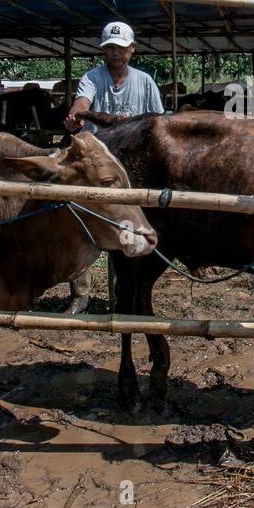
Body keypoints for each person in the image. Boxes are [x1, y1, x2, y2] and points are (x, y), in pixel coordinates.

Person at [63, 21, 164, 312]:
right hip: (98, 166)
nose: (115, 53)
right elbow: (82, 103)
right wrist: (76, 117)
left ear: (131, 50)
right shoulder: (93, 77)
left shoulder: (144, 81)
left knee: (122, 225)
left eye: (120, 48)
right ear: (104, 51)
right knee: (84, 222)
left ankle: (118, 296)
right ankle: (80, 295)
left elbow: (156, 123)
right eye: (110, 48)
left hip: (130, 165)